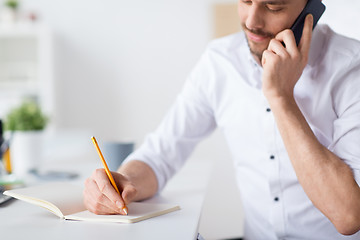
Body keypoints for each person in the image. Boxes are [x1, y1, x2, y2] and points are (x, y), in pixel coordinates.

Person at [83, 0, 360, 239]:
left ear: (310, 9)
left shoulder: (350, 68)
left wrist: (281, 97)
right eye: (246, 1)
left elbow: (348, 216)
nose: (252, 21)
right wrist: (122, 182)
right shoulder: (219, 62)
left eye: (273, 6)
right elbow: (161, 154)